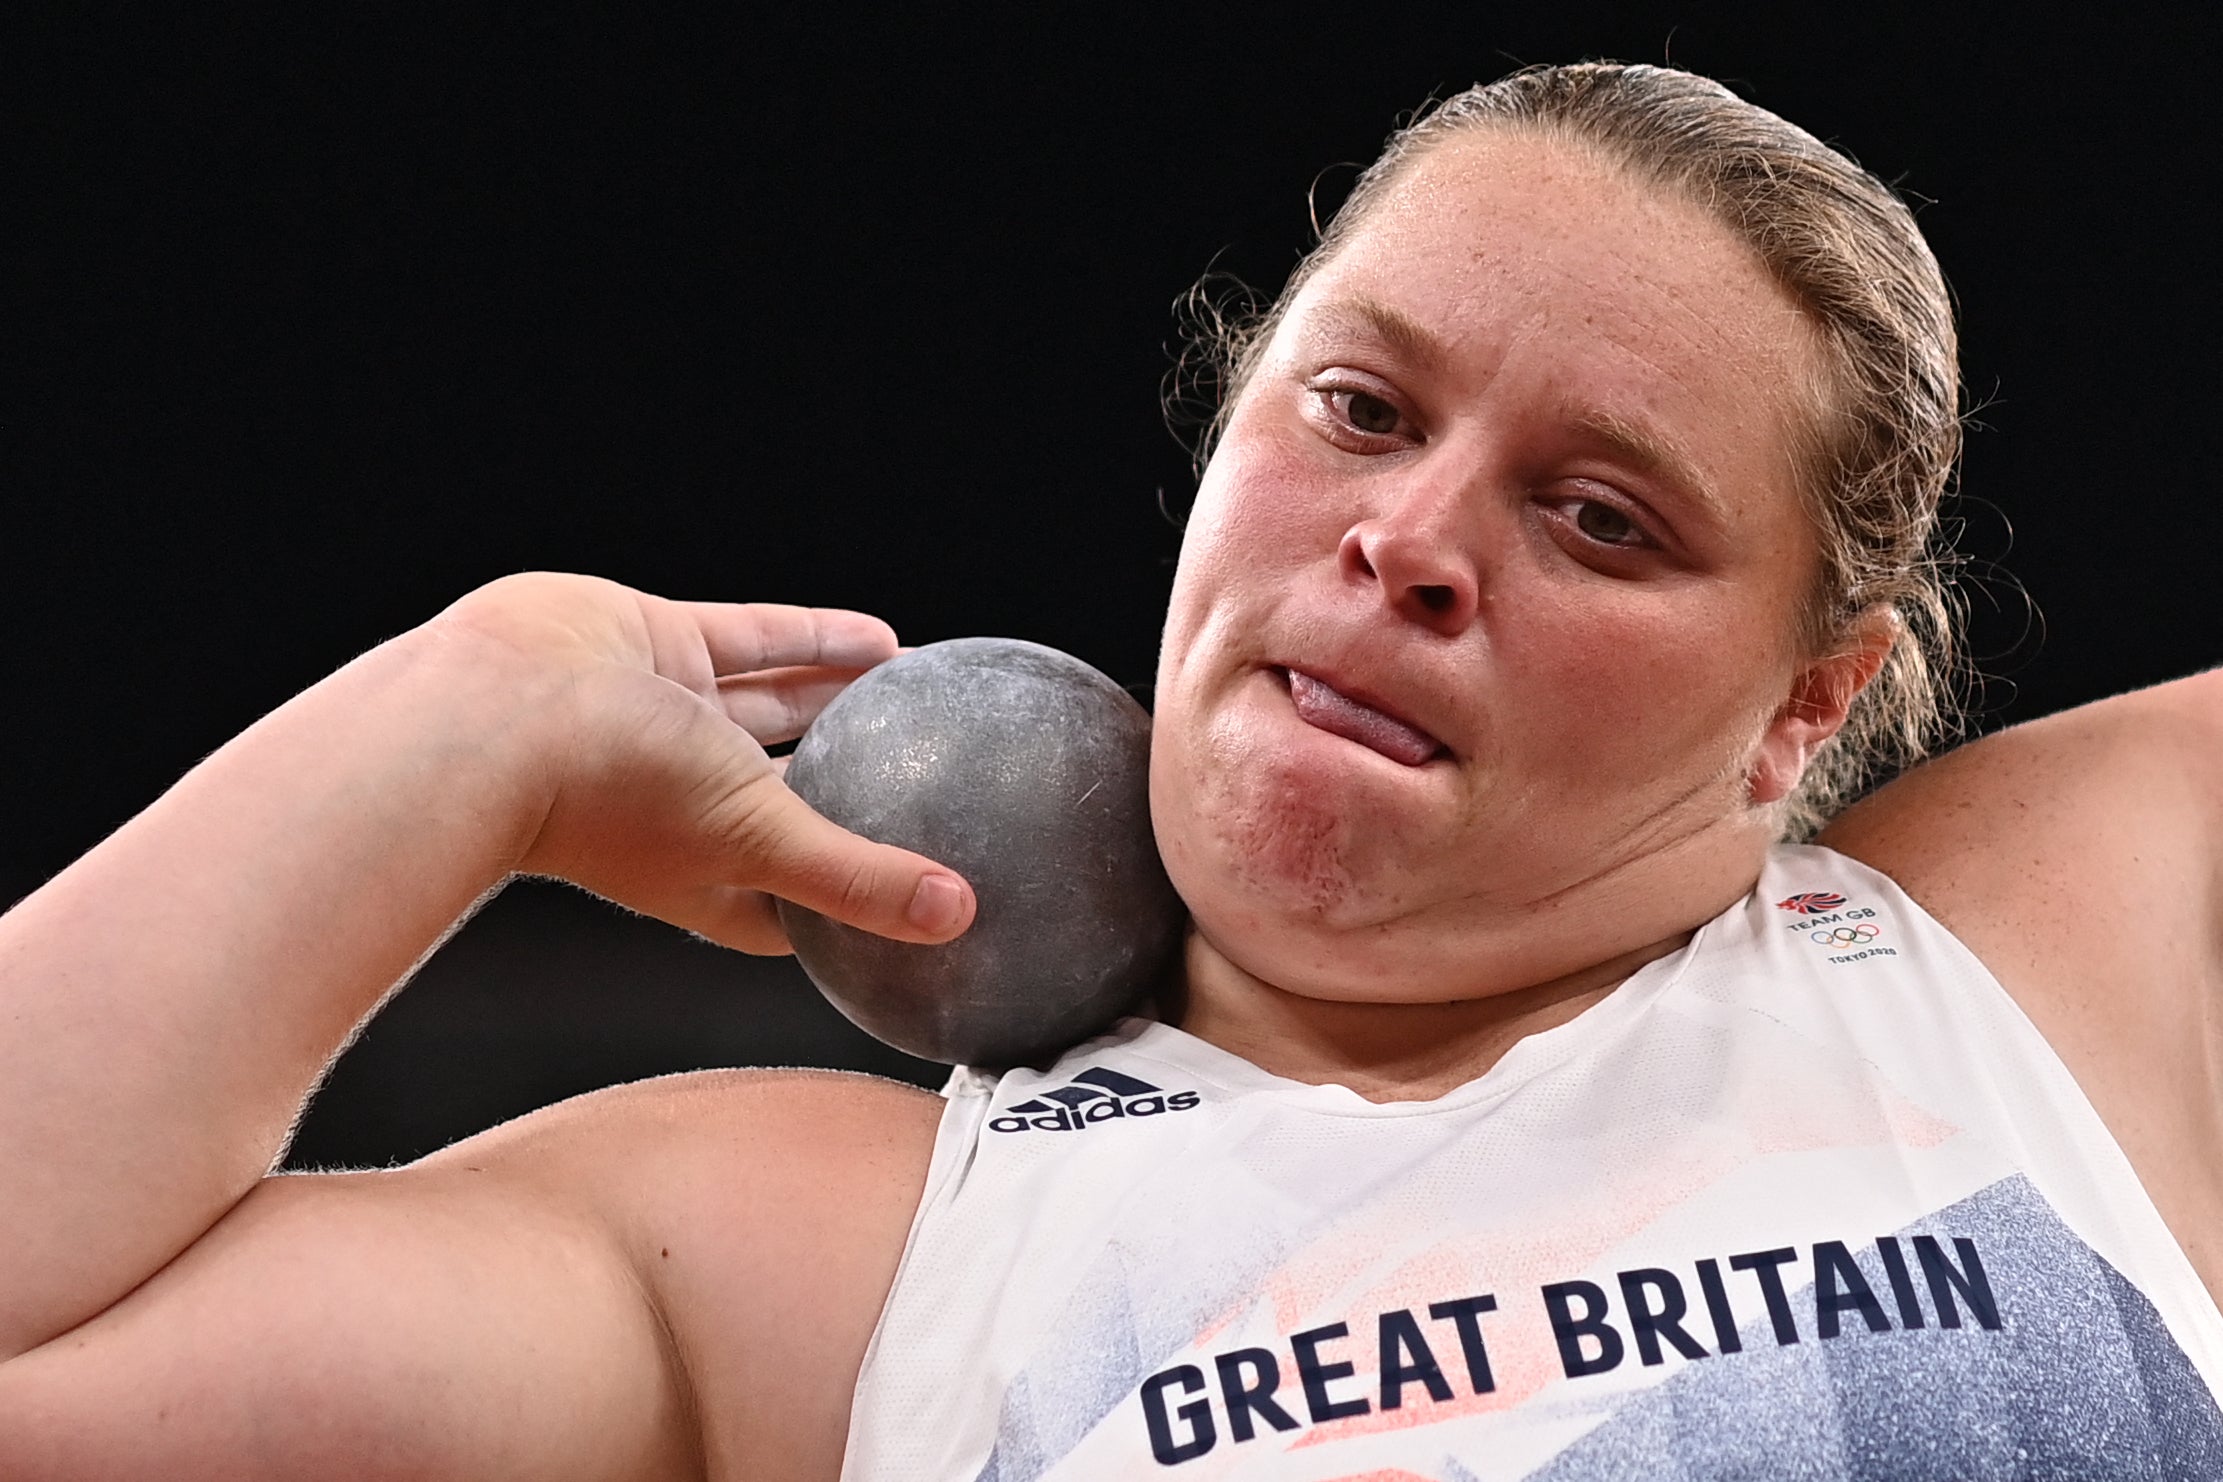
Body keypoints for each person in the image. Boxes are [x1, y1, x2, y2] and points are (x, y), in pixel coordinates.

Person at [1, 61, 2217, 1479]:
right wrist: (465, 715)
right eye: (1358, 407)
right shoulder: (848, 1261)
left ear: (1799, 712)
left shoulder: (2052, 965)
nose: (1408, 542)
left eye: (1599, 516)